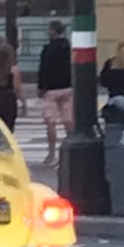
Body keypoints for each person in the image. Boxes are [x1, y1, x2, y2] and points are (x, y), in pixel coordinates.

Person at [37, 21, 73, 166]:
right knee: (69, 122)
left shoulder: (48, 49)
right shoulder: (68, 48)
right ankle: (70, 153)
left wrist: (41, 87)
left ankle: (52, 154)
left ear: (52, 31)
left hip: (51, 89)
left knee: (51, 123)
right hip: (67, 87)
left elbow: (43, 69)